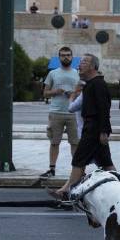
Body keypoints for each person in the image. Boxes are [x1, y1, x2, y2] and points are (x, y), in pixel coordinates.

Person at [52, 54, 117, 199]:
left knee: (79, 160)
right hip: (91, 126)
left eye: (84, 62)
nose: (80, 65)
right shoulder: (89, 85)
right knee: (106, 162)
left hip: (94, 128)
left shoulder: (98, 84)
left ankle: (66, 192)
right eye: (80, 62)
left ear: (93, 66)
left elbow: (104, 109)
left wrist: (104, 131)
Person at [41, 47, 80, 178]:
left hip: (73, 113)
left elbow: (82, 92)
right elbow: (45, 93)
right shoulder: (53, 73)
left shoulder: (77, 73)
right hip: (56, 112)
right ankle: (52, 169)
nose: (66, 57)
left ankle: (77, 169)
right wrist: (55, 91)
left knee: (75, 142)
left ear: (72, 57)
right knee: (54, 142)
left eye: (68, 55)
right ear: (59, 57)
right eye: (63, 55)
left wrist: (73, 93)